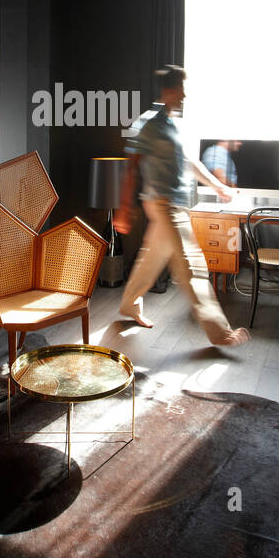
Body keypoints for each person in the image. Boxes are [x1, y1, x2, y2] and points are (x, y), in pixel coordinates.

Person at [113, 66, 251, 347]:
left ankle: (129, 305)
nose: (185, 95)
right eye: (181, 89)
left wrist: (217, 186)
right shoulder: (148, 124)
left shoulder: (173, 125)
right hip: (162, 204)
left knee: (151, 259)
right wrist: (124, 209)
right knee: (193, 265)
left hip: (174, 204)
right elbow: (131, 168)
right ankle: (220, 333)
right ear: (169, 91)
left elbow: (191, 163)